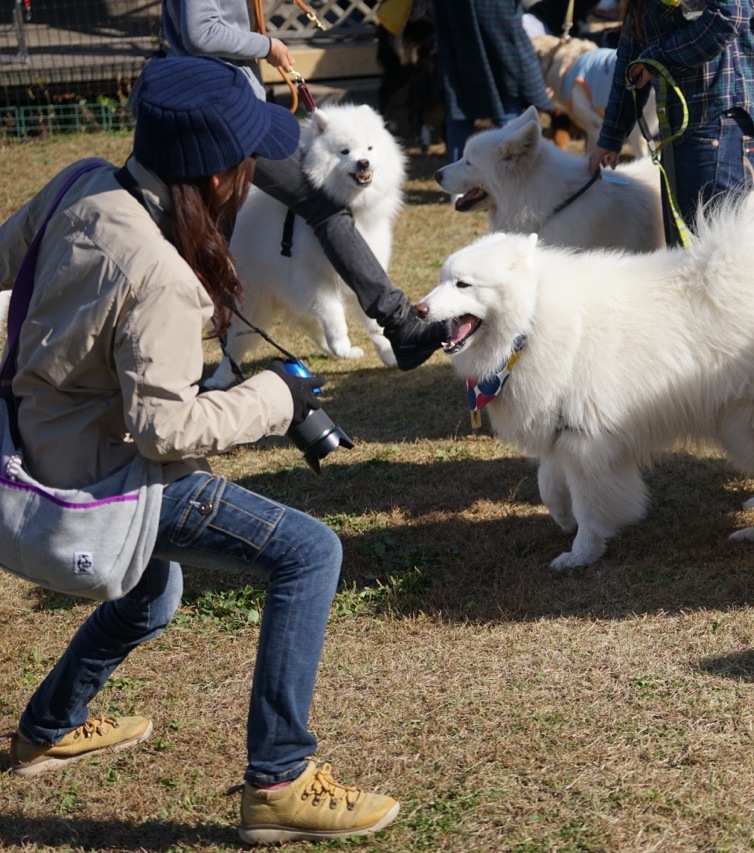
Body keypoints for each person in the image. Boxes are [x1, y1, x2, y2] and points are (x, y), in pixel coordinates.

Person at [0, 57, 399, 845]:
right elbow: (166, 432)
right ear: (219, 175)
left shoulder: (81, 182)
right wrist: (276, 398)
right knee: (309, 552)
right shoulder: (160, 275)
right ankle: (280, 779)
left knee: (153, 594)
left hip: (39, 437)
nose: (258, 171)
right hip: (107, 477)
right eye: (250, 157)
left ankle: (48, 726)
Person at [161, 0, 445, 371]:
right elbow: (202, 32)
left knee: (193, 229)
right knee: (322, 204)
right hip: (226, 111)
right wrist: (266, 45)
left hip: (213, 105)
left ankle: (166, 347)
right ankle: (399, 324)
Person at [587, 0, 754, 247]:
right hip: (683, 134)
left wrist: (659, 57)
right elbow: (632, 57)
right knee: (687, 253)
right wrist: (611, 136)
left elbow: (731, 15)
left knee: (718, 256)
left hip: (721, 124)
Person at [433, 0, 555, 163]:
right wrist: (536, 85)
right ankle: (508, 184)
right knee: (506, 115)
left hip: (458, 57)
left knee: (460, 113)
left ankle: (460, 183)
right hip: (501, 66)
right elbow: (513, 40)